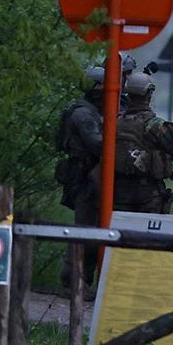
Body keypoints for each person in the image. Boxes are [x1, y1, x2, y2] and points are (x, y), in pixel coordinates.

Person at [113, 72, 173, 214]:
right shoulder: (155, 125)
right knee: (148, 235)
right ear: (149, 94)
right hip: (147, 194)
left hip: (116, 192)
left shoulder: (115, 121)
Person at [56, 66, 104, 293]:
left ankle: (82, 279)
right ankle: (74, 279)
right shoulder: (84, 114)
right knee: (85, 228)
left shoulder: (88, 110)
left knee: (91, 227)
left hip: (86, 174)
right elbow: (98, 143)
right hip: (84, 177)